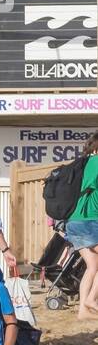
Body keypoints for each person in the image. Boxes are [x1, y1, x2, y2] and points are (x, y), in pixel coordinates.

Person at [63, 131, 98, 319]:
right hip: (88, 220)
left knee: (93, 265)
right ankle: (92, 299)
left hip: (73, 222)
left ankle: (83, 310)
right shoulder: (96, 163)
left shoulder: (82, 164)